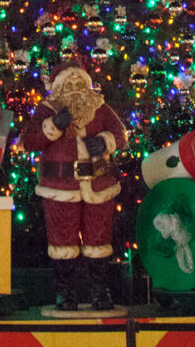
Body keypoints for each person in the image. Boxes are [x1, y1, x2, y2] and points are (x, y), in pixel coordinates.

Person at [22, 58, 128, 310]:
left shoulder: (100, 107)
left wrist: (105, 141)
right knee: (62, 242)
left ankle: (99, 290)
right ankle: (65, 292)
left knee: (98, 240)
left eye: (78, 81)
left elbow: (121, 134)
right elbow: (30, 140)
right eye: (67, 82)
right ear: (57, 86)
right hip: (60, 187)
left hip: (98, 185)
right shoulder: (47, 109)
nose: (73, 85)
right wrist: (54, 126)